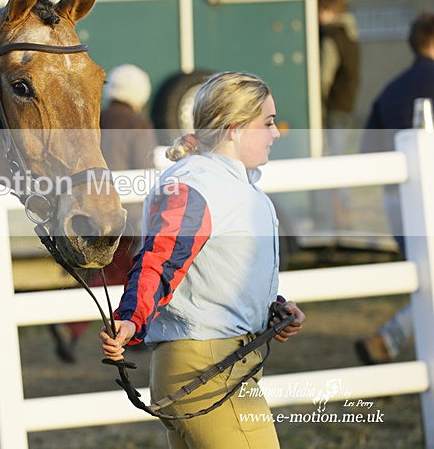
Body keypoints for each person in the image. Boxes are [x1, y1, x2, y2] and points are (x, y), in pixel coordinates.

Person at [99, 71, 306, 448]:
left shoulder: (229, 184)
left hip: (218, 363)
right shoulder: (197, 184)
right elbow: (160, 259)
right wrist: (130, 318)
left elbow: (213, 271)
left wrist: (272, 309)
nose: (276, 133)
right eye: (268, 123)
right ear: (233, 127)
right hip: (206, 368)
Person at [50, 63, 158, 363]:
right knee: (121, 274)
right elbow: (146, 172)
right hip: (127, 216)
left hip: (92, 209)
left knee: (104, 272)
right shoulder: (139, 125)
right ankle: (92, 328)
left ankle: (73, 325)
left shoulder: (96, 119)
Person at [355, 12, 434, 365]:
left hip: (397, 200)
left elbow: (367, 153)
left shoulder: (391, 90)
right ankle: (387, 340)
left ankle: (388, 341)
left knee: (425, 280)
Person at [317, 0, 360, 230]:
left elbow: (324, 76)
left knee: (333, 159)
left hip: (333, 107)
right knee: (340, 157)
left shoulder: (332, 37)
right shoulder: (351, 35)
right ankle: (343, 213)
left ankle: (341, 215)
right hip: (348, 104)